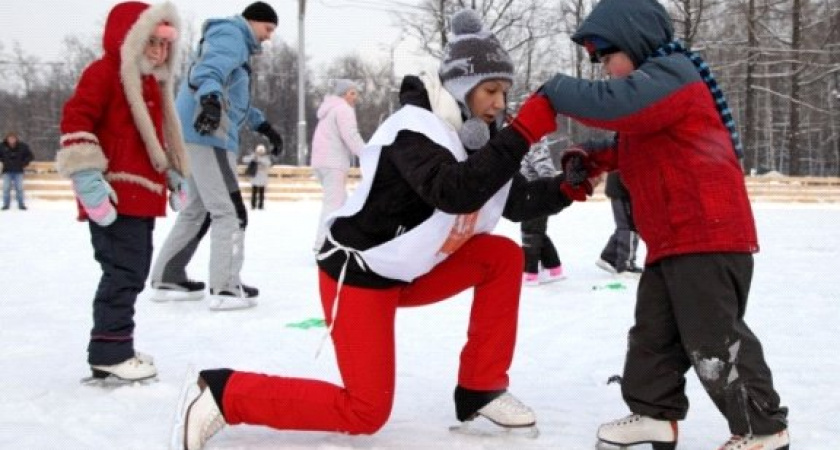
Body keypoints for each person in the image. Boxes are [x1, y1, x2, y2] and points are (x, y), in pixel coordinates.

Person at [179, 10, 596, 449]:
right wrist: (523, 133)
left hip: (407, 275)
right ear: (459, 88)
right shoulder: (411, 130)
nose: (498, 104)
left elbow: (517, 202)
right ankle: (222, 395)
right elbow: (452, 191)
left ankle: (480, 389)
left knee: (502, 256)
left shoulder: (481, 141)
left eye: (505, 93)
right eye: (491, 90)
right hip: (357, 277)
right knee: (366, 410)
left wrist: (571, 184)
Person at [538, 0, 790, 448]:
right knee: (654, 332)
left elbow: (618, 107)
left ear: (636, 41)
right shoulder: (651, 101)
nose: (603, 67)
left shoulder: (674, 76)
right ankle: (653, 413)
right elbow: (625, 142)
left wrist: (555, 90)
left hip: (708, 236)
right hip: (674, 241)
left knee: (713, 335)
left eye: (607, 55)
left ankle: (762, 428)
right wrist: (587, 158)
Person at [56, 1, 186, 382]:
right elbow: (77, 119)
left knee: (133, 269)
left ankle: (114, 343)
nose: (159, 52)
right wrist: (88, 180)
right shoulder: (104, 73)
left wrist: (174, 174)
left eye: (165, 45)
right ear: (129, 39)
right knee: (122, 271)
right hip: (113, 197)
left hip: (143, 197)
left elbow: (156, 139)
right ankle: (111, 351)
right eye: (152, 42)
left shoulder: (150, 84)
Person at [149, 1, 284, 310]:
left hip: (194, 132)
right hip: (209, 133)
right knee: (230, 210)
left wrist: (263, 125)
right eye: (268, 28)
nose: (268, 37)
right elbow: (207, 70)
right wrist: (209, 100)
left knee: (197, 210)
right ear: (253, 21)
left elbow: (235, 100)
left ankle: (168, 277)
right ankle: (225, 287)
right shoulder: (232, 34)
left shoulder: (235, 42)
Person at [310, 78, 366, 252]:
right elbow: (351, 136)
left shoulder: (329, 110)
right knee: (334, 204)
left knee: (342, 203)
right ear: (343, 94)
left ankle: (339, 243)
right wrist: (368, 154)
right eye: (352, 93)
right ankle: (322, 245)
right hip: (333, 162)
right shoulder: (343, 109)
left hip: (321, 162)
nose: (355, 97)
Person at [519, 137, 564, 286]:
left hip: (535, 196)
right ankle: (553, 269)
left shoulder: (534, 143)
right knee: (538, 233)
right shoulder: (524, 143)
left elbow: (547, 170)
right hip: (529, 195)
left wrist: (543, 189)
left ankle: (530, 273)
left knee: (530, 233)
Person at [596, 170, 643, 277]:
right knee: (630, 227)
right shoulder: (629, 154)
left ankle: (609, 257)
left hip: (621, 189)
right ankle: (626, 265)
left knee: (625, 226)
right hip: (622, 191)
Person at [0, 131, 34, 210]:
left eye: (13, 138)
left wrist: (24, 163)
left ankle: (21, 204)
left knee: (19, 188)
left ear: (16, 139)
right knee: (6, 188)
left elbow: (30, 156)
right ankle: (6, 204)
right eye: (10, 138)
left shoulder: (22, 146)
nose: (11, 140)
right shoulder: (2, 146)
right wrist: (2, 161)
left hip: (18, 171)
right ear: (7, 139)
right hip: (7, 171)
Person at [242, 144, 273, 210]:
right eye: (259, 151)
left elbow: (268, 163)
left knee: (261, 193)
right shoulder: (253, 156)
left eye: (262, 151)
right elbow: (244, 159)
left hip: (262, 178)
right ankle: (253, 205)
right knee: (254, 193)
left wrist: (259, 160)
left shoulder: (265, 158)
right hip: (255, 178)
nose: (260, 152)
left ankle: (260, 206)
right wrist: (253, 158)